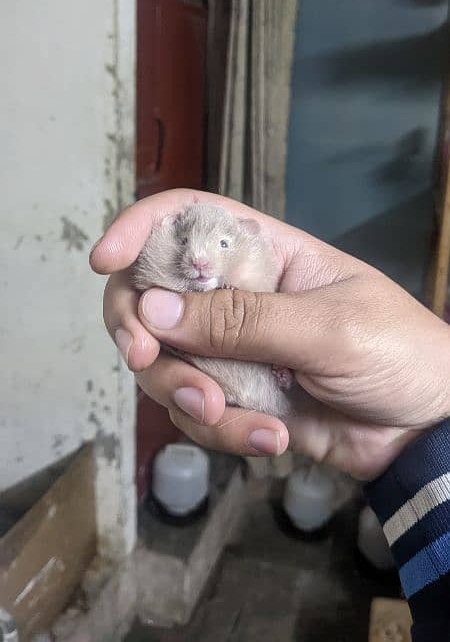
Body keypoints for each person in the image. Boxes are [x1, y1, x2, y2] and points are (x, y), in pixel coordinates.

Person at [90, 189, 450, 641]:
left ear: (240, 243)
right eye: (186, 245)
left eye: (221, 245)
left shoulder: (256, 267)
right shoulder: (164, 258)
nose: (200, 260)